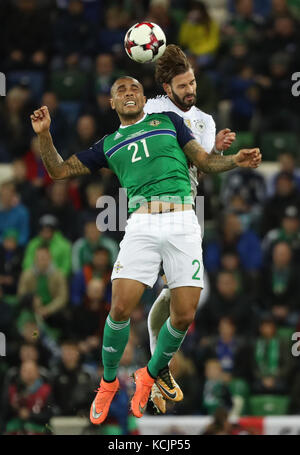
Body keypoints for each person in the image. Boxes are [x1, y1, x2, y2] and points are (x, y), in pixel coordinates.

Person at [30, 75, 261, 426]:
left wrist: (234, 161)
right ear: (111, 103)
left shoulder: (169, 122)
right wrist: (45, 134)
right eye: (120, 90)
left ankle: (148, 375)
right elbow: (59, 171)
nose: (128, 93)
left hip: (183, 219)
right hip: (142, 222)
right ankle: (108, 383)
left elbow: (205, 161)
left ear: (144, 98)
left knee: (184, 314)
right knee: (120, 306)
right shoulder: (108, 144)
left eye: (135, 89)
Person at [144, 44, 237, 413]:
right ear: (167, 88)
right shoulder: (151, 110)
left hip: (187, 214)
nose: (190, 90)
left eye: (193, 82)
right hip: (150, 209)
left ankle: (155, 372)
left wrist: (218, 153)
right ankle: (154, 373)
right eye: (183, 85)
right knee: (145, 297)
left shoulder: (206, 121)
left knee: (179, 302)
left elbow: (203, 165)